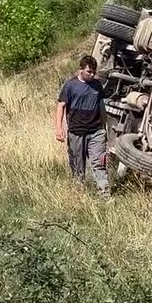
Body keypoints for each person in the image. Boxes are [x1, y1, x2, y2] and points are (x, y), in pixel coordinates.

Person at [55, 55, 111, 197]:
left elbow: (101, 106)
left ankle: (104, 193)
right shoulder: (70, 85)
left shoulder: (97, 86)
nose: (92, 75)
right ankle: (78, 193)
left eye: (94, 72)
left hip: (96, 132)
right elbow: (61, 106)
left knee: (99, 163)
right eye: (88, 72)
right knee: (78, 165)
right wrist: (58, 128)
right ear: (80, 70)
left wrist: (105, 129)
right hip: (76, 132)